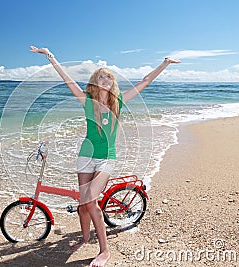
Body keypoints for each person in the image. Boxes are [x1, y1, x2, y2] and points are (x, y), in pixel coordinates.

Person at [30, 45, 180, 267]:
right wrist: (50, 56)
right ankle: (85, 237)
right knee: (83, 203)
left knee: (90, 201)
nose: (106, 80)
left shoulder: (118, 102)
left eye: (109, 77)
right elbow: (68, 80)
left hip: (106, 158)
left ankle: (104, 251)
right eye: (101, 77)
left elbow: (144, 82)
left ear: (112, 82)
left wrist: (164, 64)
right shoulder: (87, 103)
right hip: (85, 156)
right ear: (94, 82)